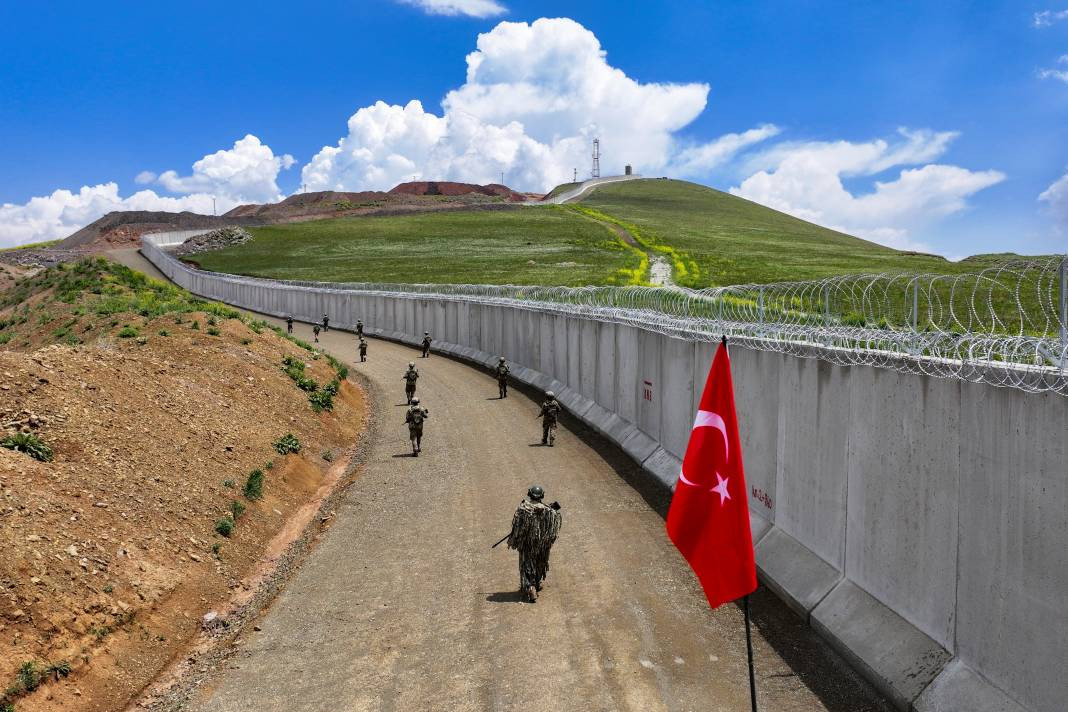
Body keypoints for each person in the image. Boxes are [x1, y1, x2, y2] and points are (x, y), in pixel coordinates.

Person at [507, 485, 562, 602]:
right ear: (542, 495)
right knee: (539, 563)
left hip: (527, 544)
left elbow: (516, 528)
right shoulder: (548, 511)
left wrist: (516, 540)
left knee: (527, 564)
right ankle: (536, 584)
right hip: (541, 545)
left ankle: (530, 587)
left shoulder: (522, 508)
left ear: (529, 494)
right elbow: (553, 529)